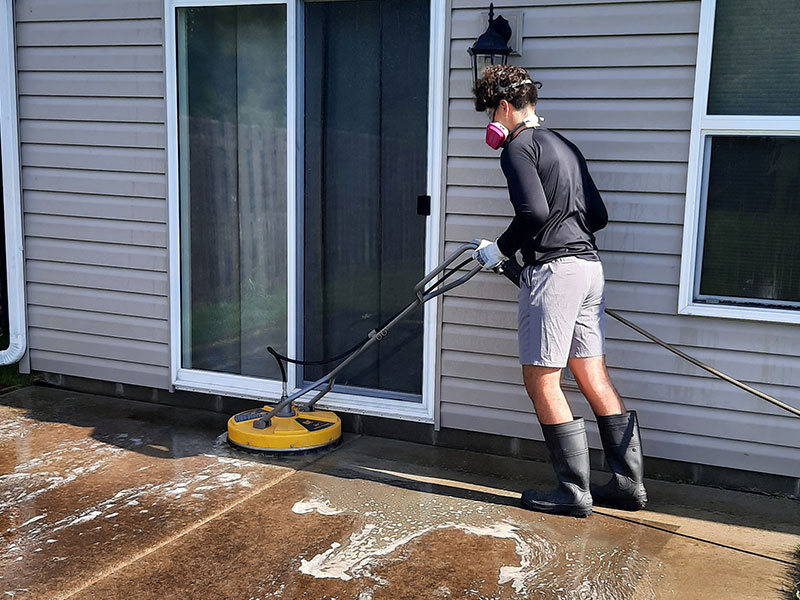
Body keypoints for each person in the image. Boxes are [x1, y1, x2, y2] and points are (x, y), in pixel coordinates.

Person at [471, 64, 647, 518]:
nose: (491, 120)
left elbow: (532, 213)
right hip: (589, 268)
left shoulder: (517, 148)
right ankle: (628, 485)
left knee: (541, 379)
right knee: (592, 375)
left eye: (491, 111)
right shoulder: (564, 146)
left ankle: (573, 492)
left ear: (504, 107)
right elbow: (599, 215)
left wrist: (499, 250)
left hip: (554, 274)